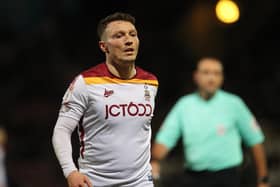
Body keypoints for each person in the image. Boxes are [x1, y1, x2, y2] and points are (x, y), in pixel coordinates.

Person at [52, 12, 158, 187]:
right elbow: (61, 130)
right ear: (104, 46)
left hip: (141, 182)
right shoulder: (85, 83)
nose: (129, 40)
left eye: (133, 34)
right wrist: (70, 171)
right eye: (119, 35)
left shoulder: (150, 82)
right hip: (95, 182)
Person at [151, 57, 269, 187]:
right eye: (206, 72)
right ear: (196, 76)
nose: (211, 78)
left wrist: (263, 180)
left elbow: (255, 141)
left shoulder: (234, 104)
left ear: (222, 78)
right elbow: (165, 139)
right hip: (194, 177)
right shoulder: (184, 105)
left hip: (228, 176)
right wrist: (155, 160)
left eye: (216, 73)